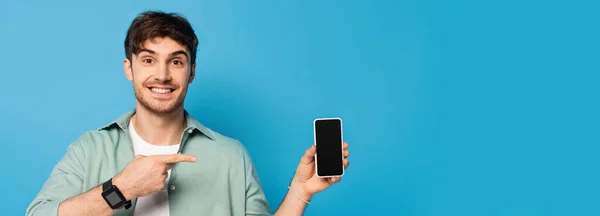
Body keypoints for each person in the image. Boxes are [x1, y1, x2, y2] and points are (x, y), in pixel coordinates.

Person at [25, 10, 350, 216]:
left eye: (176, 61)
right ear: (129, 68)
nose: (163, 75)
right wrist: (121, 188)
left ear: (191, 72)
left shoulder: (231, 156)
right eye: (149, 60)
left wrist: (300, 191)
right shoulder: (89, 149)